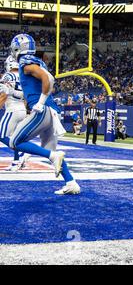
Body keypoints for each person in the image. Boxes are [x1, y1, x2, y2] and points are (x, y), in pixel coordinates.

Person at [3, 33, 79, 195]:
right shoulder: (37, 61)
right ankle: (71, 183)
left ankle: (52, 157)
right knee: (51, 151)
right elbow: (48, 78)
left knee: (14, 142)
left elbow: (48, 79)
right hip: (51, 112)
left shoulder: (25, 62)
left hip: (43, 110)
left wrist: (40, 102)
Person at [0, 55, 30, 171]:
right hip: (22, 109)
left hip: (12, 109)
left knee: (2, 135)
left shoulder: (8, 76)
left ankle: (23, 153)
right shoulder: (24, 77)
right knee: (15, 137)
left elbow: (4, 94)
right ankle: (16, 161)